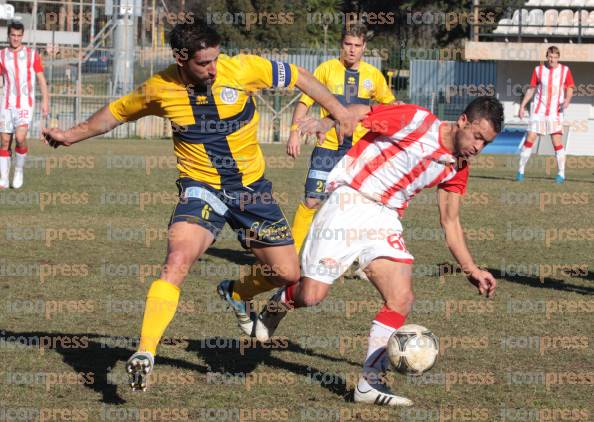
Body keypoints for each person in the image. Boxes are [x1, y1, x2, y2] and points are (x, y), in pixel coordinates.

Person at [42, 21, 354, 391]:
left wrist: (339, 111)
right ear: (181, 58)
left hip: (251, 191)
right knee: (177, 260)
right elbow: (115, 113)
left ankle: (237, 292)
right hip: (201, 187)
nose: (213, 68)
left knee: (287, 274)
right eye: (205, 63)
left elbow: (300, 75)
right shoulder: (160, 88)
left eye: (216, 59)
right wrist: (69, 137)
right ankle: (145, 351)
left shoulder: (242, 69)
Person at [255, 97, 503, 406]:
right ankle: (279, 303)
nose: (478, 147)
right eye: (477, 137)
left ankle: (370, 383)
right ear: (463, 120)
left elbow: (450, 222)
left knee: (401, 297)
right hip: (350, 201)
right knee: (311, 296)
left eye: (486, 143)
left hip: (385, 219)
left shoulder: (458, 167)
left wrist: (472, 270)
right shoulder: (416, 120)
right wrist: (328, 122)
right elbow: (362, 114)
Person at [287, 24, 395, 254]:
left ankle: (352, 257)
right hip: (327, 147)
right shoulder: (326, 69)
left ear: (364, 47)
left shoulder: (373, 76)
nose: (352, 50)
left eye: (357, 45)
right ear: (341, 45)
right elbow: (305, 102)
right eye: (348, 44)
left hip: (357, 151)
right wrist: (294, 133)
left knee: (354, 206)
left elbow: (390, 107)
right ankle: (292, 253)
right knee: (312, 200)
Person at [0, 21, 49, 189]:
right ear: (8, 35)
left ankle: (19, 170)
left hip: (24, 104)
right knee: (5, 141)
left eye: (19, 35)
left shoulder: (31, 54)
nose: (16, 38)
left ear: (22, 36)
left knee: (20, 138)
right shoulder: (1, 55)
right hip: (6, 104)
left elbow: (42, 79)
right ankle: (4, 178)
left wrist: (45, 101)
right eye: (13, 35)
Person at [517, 46, 574, 183]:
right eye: (549, 56)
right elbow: (531, 89)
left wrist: (567, 100)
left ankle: (561, 174)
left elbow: (570, 87)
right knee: (530, 138)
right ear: (546, 56)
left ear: (558, 57)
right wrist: (522, 106)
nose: (552, 59)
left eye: (554, 57)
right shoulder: (538, 70)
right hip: (538, 111)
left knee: (556, 141)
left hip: (555, 112)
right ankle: (520, 171)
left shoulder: (565, 70)